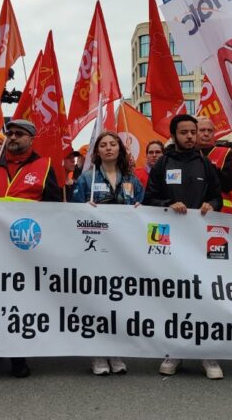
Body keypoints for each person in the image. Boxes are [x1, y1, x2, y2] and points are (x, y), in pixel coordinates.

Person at [0, 119, 61, 379]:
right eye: (11, 133)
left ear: (31, 139)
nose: (14, 137)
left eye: (20, 134)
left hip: (25, 249)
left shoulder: (45, 166)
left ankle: (18, 357)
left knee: (19, 303)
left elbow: (55, 208)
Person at [143, 114, 223, 379]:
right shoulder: (162, 164)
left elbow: (217, 197)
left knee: (204, 295)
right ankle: (174, 350)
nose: (190, 136)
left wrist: (211, 205)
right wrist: (167, 205)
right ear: (175, 135)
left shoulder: (206, 164)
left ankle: (207, 354)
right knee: (174, 296)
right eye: (184, 132)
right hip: (169, 242)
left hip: (201, 241)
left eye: (193, 132)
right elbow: (149, 199)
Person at [71, 131, 142, 375]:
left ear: (120, 149)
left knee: (118, 301)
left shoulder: (133, 179)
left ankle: (115, 349)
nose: (109, 148)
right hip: (95, 249)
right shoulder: (86, 179)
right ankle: (97, 352)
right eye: (104, 145)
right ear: (97, 151)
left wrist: (139, 208)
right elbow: (73, 213)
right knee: (95, 299)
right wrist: (84, 209)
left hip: (123, 251)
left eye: (113, 144)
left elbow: (146, 210)